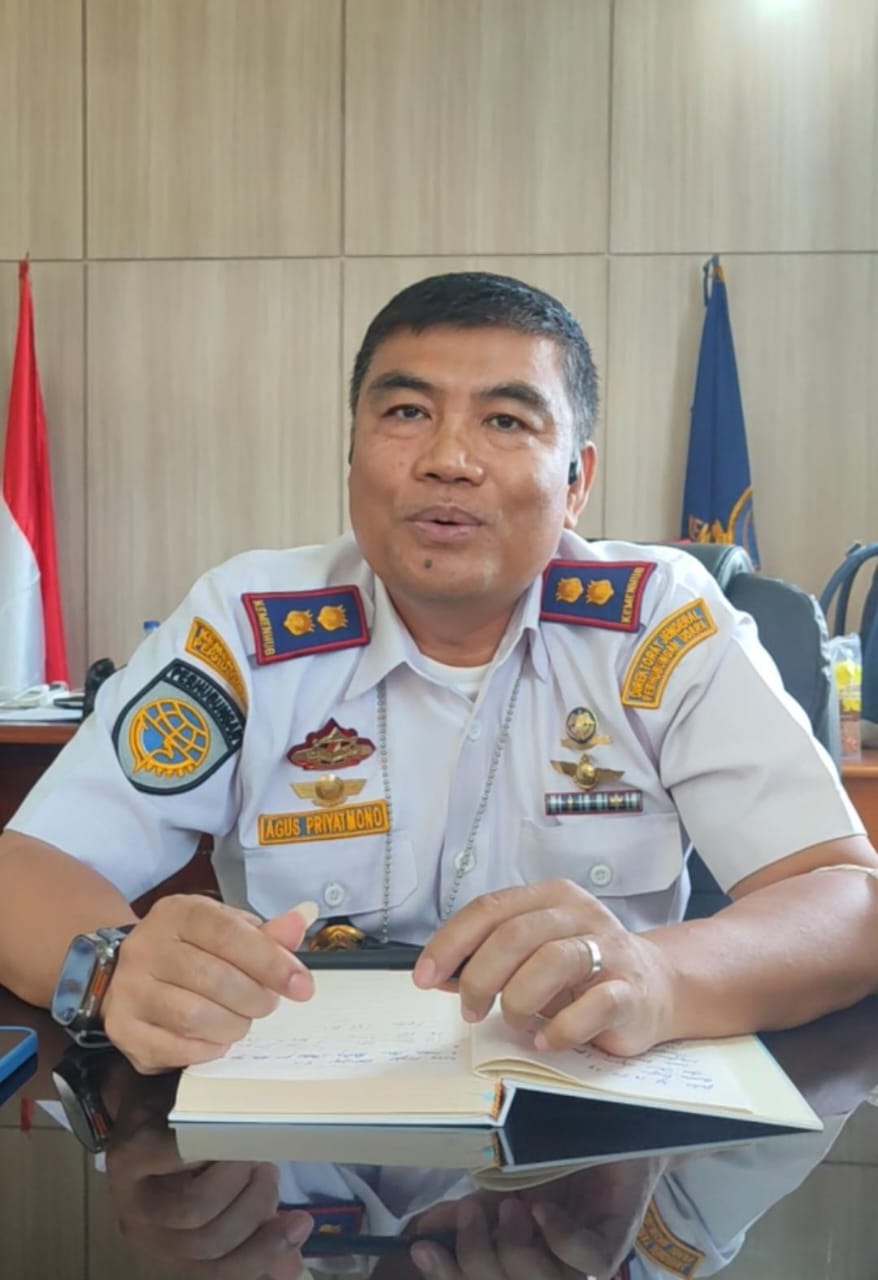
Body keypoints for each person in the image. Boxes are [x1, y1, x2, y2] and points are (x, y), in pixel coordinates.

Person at [0, 271, 876, 1075]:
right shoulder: (246, 625)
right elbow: (24, 868)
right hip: (299, 1143)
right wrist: (110, 968)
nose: (448, 458)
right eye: (407, 412)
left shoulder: (658, 626)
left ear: (577, 481)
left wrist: (658, 975)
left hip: (585, 1122)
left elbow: (848, 900)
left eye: (506, 421)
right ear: (353, 455)